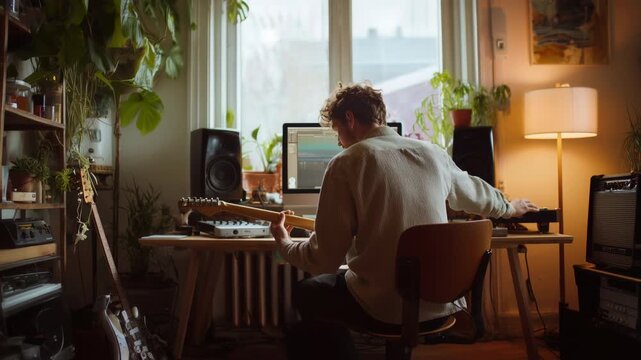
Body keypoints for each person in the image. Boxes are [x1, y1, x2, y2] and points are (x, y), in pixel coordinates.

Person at [269, 82, 538, 359]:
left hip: (383, 309)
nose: (338, 140)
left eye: (337, 129)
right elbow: (476, 193)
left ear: (349, 118)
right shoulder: (433, 153)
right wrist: (510, 207)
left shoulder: (346, 163)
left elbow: (323, 259)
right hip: (443, 305)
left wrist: (284, 242)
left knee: (308, 292)